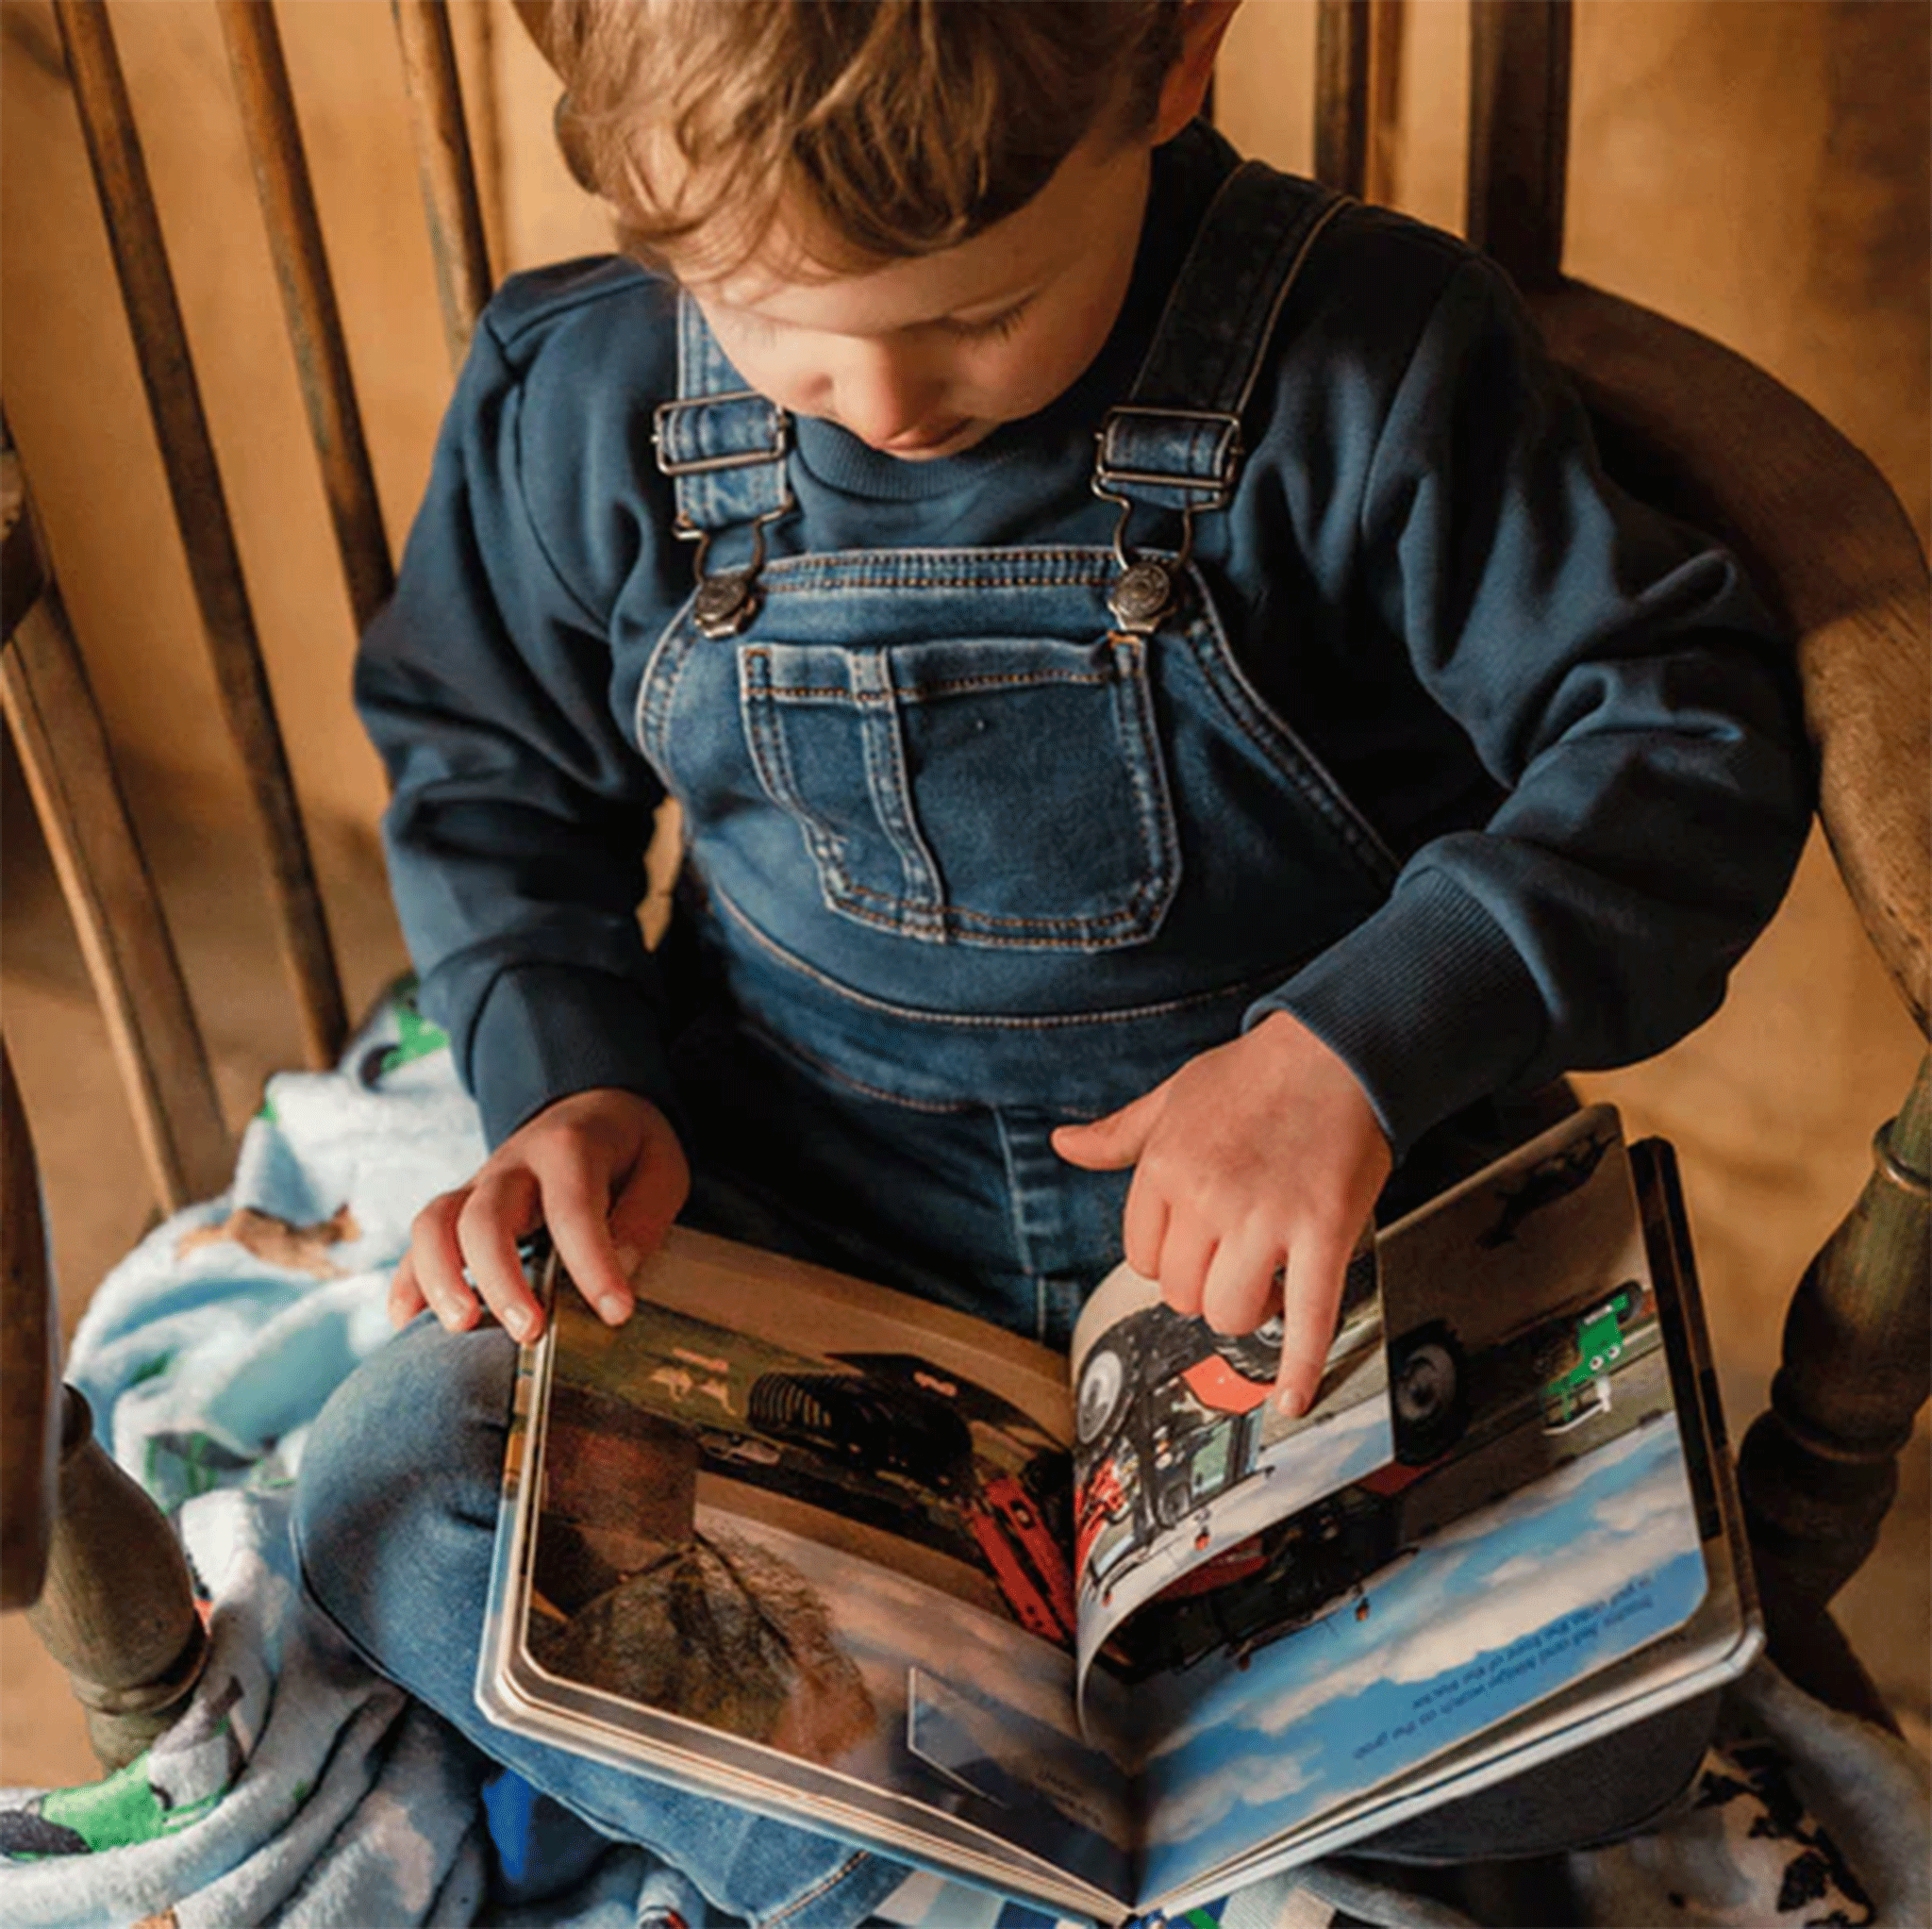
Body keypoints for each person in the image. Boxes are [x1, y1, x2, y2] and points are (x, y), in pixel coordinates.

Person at [295, 1, 1811, 1921]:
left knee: (1611, 1703)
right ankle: (960, 1877)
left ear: (1172, 64)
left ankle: (1062, 1796)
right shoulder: (579, 391)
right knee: (390, 1478)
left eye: (972, 316)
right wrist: (572, 1073)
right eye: (773, 322)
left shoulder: (1370, 363)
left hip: (1293, 1261)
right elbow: (494, 779)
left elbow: (1686, 740)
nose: (878, 397)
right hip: (794, 1218)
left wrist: (1355, 1043)